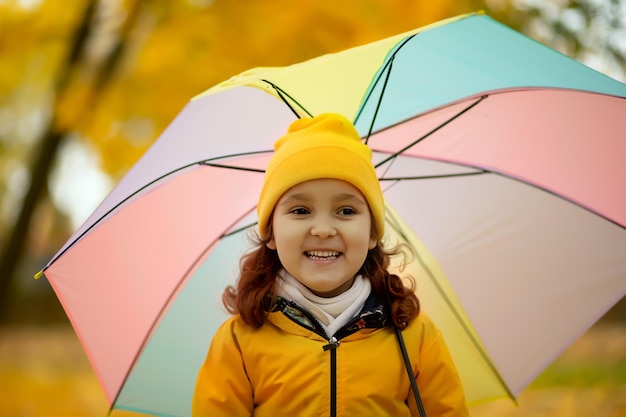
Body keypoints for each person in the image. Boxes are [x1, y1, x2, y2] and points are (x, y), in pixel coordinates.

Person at [192, 113, 469, 417]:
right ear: (270, 232)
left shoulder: (414, 336)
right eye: (300, 210)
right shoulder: (238, 343)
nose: (323, 229)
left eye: (346, 210)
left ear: (373, 232)